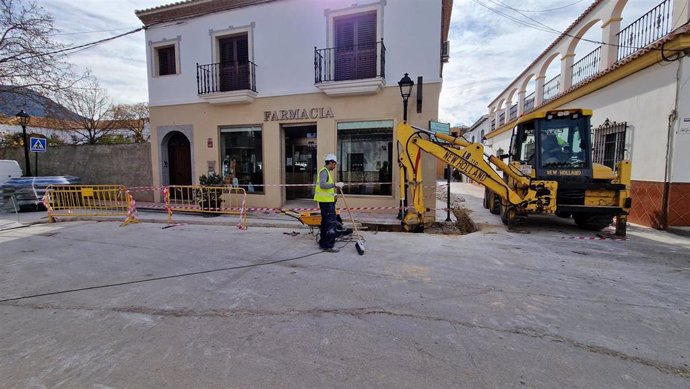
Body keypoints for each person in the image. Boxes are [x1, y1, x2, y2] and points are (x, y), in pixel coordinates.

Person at [314, 153, 344, 253]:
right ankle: (328, 245)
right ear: (330, 162)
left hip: (326, 201)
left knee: (325, 222)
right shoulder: (324, 172)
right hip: (326, 203)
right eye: (334, 164)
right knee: (331, 223)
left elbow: (325, 189)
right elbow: (322, 185)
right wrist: (335, 185)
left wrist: (333, 194)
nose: (335, 166)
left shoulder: (325, 171)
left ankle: (323, 242)